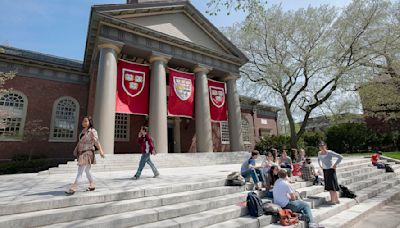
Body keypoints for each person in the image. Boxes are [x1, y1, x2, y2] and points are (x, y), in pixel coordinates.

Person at [65, 116, 105, 195]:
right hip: (81, 152)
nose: (84, 122)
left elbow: (96, 142)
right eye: (83, 121)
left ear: (90, 122)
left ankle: (74, 187)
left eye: (86, 121)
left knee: (80, 170)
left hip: (88, 152)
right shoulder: (83, 131)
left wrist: (101, 151)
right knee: (87, 170)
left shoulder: (93, 131)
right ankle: (92, 184)